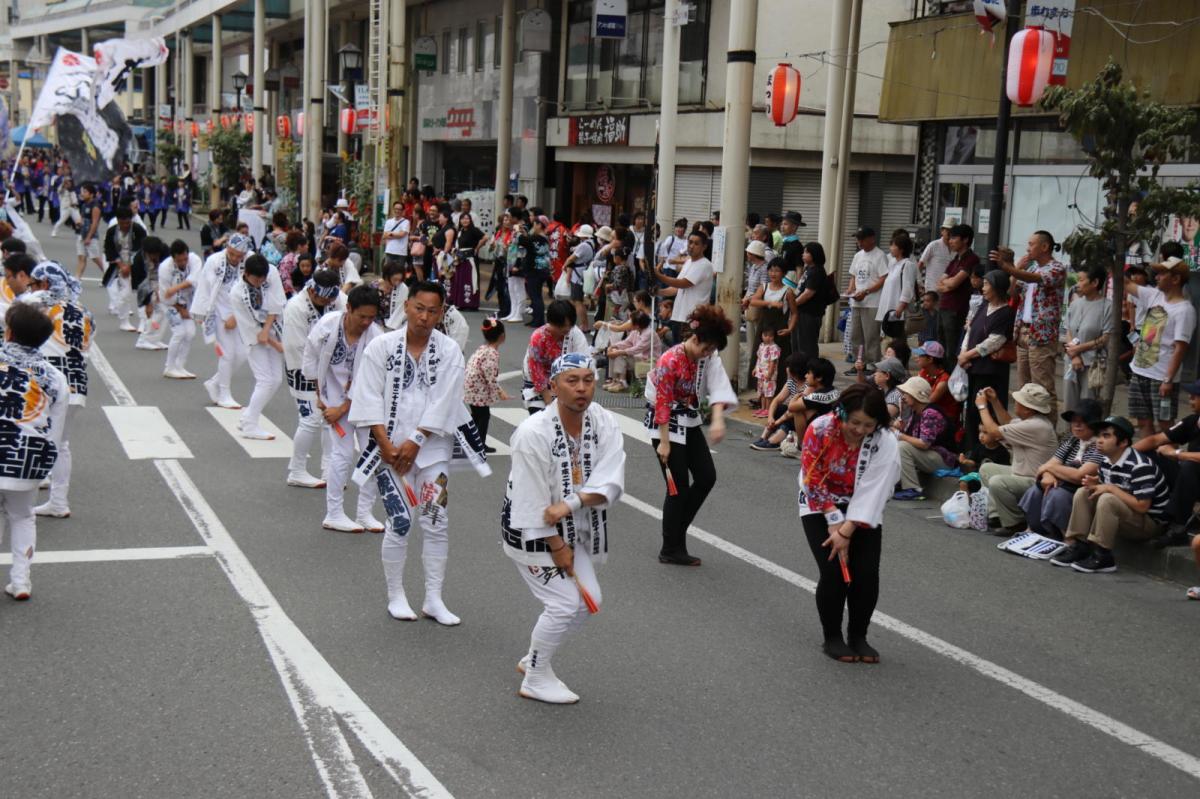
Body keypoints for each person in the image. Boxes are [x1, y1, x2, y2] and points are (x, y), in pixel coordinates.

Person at [348, 281, 491, 625]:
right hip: (388, 451)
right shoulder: (381, 347)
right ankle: (395, 595)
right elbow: (367, 395)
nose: (424, 317)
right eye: (419, 309)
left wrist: (415, 440)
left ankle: (433, 598)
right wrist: (385, 444)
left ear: (441, 314)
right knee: (400, 521)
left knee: (436, 519)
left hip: (432, 448)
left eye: (432, 311)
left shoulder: (449, 351)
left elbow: (445, 401)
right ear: (407, 307)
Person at [500, 352, 625, 704]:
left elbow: (611, 478)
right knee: (564, 604)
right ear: (553, 387)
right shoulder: (532, 433)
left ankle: (534, 656)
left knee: (589, 600)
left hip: (573, 526)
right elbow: (530, 501)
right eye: (572, 381)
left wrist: (570, 505)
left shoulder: (602, 421)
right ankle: (536, 677)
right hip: (529, 530)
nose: (582, 388)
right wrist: (556, 546)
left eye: (588, 380)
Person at [798, 383, 899, 663]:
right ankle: (832, 636)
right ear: (842, 412)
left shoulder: (885, 440)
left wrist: (846, 529)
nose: (859, 430)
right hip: (819, 500)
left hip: (863, 506)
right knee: (833, 571)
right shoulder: (820, 428)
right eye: (854, 422)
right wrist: (833, 520)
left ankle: (858, 636)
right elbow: (811, 476)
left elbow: (876, 489)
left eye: (868, 425)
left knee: (866, 573)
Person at [645, 304, 738, 566]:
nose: (707, 354)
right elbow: (663, 402)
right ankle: (670, 548)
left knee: (707, 476)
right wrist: (664, 443)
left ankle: (677, 531)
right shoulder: (670, 360)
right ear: (695, 339)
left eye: (712, 350)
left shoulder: (708, 355)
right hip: (664, 421)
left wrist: (717, 419)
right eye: (706, 348)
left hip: (688, 415)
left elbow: (719, 385)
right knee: (678, 488)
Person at [0, 303, 69, 600]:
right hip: (27, 457)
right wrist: (44, 465)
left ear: (9, 332)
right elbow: (56, 433)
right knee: (23, 516)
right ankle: (20, 581)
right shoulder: (53, 376)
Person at [305, 285, 384, 533]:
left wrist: (344, 408)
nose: (366, 322)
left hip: (365, 401)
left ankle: (364, 512)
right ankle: (334, 513)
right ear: (348, 308)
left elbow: (370, 379)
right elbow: (311, 359)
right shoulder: (328, 326)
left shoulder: (376, 336)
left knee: (372, 453)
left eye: (371, 317)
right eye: (362, 316)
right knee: (342, 454)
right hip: (332, 395)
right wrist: (319, 397)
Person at [1051, 416, 1170, 573]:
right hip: (1128, 515)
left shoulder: (1140, 466)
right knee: (1083, 492)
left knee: (1108, 499)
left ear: (1123, 442)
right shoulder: (1106, 461)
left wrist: (1110, 488)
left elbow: (1142, 506)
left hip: (1150, 524)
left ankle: (1103, 555)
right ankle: (1080, 545)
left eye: (1106, 436)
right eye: (1099, 435)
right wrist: (1095, 484)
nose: (1099, 440)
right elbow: (1110, 485)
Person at [24, 262, 92, 521]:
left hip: (46, 382)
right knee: (60, 443)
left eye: (33, 283)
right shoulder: (83, 311)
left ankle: (25, 501)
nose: (30, 288)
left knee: (34, 437)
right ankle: (58, 500)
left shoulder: (36, 302)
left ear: (44, 283)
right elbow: (86, 350)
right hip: (76, 382)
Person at [282, 269, 342, 489]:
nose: (328, 302)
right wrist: (317, 382)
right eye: (324, 299)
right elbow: (296, 347)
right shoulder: (295, 307)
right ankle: (297, 470)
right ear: (313, 291)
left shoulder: (337, 299)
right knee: (310, 419)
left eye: (331, 299)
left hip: (331, 369)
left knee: (329, 421)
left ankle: (329, 469)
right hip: (303, 370)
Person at [997, 231, 1066, 415]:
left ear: (1045, 247)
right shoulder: (1032, 268)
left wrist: (1010, 268)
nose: (1028, 248)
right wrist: (1016, 269)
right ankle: (1027, 424)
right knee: (1024, 388)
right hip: (1023, 333)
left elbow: (1037, 279)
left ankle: (1048, 427)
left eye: (1031, 244)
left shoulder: (1057, 268)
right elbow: (1011, 292)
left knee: (1043, 388)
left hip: (1042, 336)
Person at [1127, 257, 1195, 439]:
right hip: (1139, 370)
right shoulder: (1154, 295)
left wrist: (1168, 380)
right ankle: (1148, 456)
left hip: (1161, 376)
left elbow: (1180, 348)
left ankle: (1169, 455)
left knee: (1165, 424)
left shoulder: (1185, 310)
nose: (1156, 277)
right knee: (1143, 421)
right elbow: (1125, 283)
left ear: (1176, 279)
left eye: (1162, 274)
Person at [976, 383, 1059, 534]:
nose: (1015, 403)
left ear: (1028, 409)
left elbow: (994, 432)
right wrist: (995, 401)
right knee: (987, 469)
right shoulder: (1031, 420)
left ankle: (1015, 522)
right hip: (1021, 475)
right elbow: (1007, 423)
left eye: (1019, 401)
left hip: (1035, 481)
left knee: (997, 482)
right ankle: (997, 515)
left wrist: (982, 407)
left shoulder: (1037, 426)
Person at [1019, 399, 1104, 539]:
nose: (1077, 425)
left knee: (1057, 494)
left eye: (1083, 421)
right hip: (1062, 484)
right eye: (1074, 420)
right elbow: (1046, 467)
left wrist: (1049, 468)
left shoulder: (1100, 445)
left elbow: (1079, 475)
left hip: (1083, 491)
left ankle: (1068, 538)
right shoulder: (1072, 440)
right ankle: (1033, 530)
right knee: (1037, 489)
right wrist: (1048, 476)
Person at [1133, 379, 1200, 548]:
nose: (1190, 399)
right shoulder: (1193, 421)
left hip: (1194, 476)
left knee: (1189, 466)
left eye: (1195, 396)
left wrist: (1177, 454)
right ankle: (1157, 510)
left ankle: (1177, 527)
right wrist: (1126, 454)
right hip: (1191, 481)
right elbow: (1156, 439)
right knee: (1152, 454)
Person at [191, 233, 252, 409]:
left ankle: (215, 382)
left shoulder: (250, 260)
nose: (234, 258)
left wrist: (237, 315)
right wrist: (200, 313)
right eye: (231, 253)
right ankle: (224, 393)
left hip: (240, 311)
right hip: (217, 310)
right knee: (227, 354)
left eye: (238, 256)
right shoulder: (214, 260)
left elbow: (253, 288)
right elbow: (204, 287)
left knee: (243, 354)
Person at [229, 254, 286, 441]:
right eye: (256, 280)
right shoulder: (237, 294)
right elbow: (255, 330)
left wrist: (271, 333)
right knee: (265, 381)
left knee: (276, 379)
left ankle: (247, 417)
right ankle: (250, 425)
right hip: (254, 339)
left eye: (263, 279)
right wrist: (274, 343)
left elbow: (277, 303)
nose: (260, 283)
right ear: (246, 274)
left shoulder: (272, 272)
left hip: (274, 328)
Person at [958, 270, 1016, 449]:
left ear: (997, 287)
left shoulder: (1006, 312)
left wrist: (968, 355)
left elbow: (995, 341)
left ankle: (986, 450)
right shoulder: (984, 306)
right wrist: (963, 353)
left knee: (986, 410)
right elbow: (970, 331)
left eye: (986, 284)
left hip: (990, 371)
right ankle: (969, 448)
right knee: (971, 410)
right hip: (973, 367)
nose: (983, 288)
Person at [893, 377, 959, 501]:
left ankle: (913, 489)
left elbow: (924, 443)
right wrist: (900, 429)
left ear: (916, 395)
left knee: (902, 446)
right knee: (896, 444)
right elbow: (912, 438)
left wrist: (899, 435)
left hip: (944, 459)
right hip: (931, 455)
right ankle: (897, 482)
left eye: (907, 393)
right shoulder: (916, 412)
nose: (903, 397)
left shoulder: (930, 413)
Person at [522, 300, 589, 414]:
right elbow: (536, 369)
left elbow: (584, 361)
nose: (566, 329)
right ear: (551, 322)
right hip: (539, 382)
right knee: (542, 417)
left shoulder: (575, 334)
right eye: (562, 326)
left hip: (565, 382)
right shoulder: (539, 337)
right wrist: (548, 399)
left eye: (570, 325)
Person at [1061, 263, 1112, 409]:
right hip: (1071, 361)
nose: (1077, 284)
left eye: (1081, 280)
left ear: (1095, 283)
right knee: (1069, 404)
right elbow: (1069, 331)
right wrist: (1074, 355)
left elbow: (1105, 338)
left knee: (1088, 405)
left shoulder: (1108, 306)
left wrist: (1078, 349)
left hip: (1093, 363)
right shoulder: (1075, 304)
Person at [843, 227, 889, 371]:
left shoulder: (880, 255)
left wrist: (867, 291)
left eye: (862, 239)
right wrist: (851, 289)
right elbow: (853, 275)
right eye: (858, 239)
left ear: (872, 239)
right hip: (857, 301)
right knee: (856, 336)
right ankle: (859, 363)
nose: (859, 242)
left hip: (872, 303)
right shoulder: (858, 255)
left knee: (871, 336)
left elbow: (883, 278)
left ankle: (873, 364)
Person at [658, 231, 715, 344]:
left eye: (696, 243)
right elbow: (675, 288)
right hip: (678, 317)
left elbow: (683, 283)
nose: (691, 246)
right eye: (690, 242)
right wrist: (658, 291)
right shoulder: (688, 262)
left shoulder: (705, 265)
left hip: (692, 319)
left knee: (688, 353)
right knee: (679, 351)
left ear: (704, 247)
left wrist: (659, 276)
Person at [936, 224, 979, 370]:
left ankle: (952, 378)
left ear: (965, 240)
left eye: (954, 238)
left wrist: (949, 284)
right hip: (944, 306)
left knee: (952, 349)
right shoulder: (955, 259)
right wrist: (948, 285)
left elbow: (954, 283)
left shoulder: (971, 259)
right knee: (940, 347)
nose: (950, 241)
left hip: (956, 309)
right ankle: (942, 377)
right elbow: (939, 283)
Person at [464, 317, 510, 452]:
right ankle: (479, 444)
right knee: (484, 416)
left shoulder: (482, 349)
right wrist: (499, 392)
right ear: (502, 336)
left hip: (470, 387)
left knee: (476, 415)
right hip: (478, 390)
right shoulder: (492, 353)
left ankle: (470, 440)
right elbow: (490, 376)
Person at [159, 239, 201, 379]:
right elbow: (165, 295)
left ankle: (180, 366)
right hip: (170, 305)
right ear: (173, 258)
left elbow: (194, 279)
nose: (183, 263)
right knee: (179, 332)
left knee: (190, 333)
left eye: (185, 259)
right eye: (179, 261)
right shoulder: (165, 268)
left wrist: (175, 288)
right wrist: (179, 309)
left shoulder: (194, 260)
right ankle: (169, 367)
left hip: (187, 301)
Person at [103, 206, 146, 331]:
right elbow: (109, 250)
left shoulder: (138, 230)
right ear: (117, 220)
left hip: (138, 264)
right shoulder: (112, 231)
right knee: (125, 294)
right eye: (122, 223)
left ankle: (144, 322)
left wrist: (130, 265)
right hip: (120, 264)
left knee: (143, 293)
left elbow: (142, 249)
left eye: (127, 222)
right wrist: (121, 266)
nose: (125, 225)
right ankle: (124, 321)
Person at [877, 231, 918, 341]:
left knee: (896, 339)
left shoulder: (907, 265)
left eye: (893, 246)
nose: (890, 248)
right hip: (889, 307)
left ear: (901, 249)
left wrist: (900, 307)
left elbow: (908, 288)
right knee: (888, 339)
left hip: (897, 310)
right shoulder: (893, 264)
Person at [603, 312, 654, 392]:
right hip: (638, 357)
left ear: (637, 325)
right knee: (614, 352)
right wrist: (614, 346)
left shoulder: (649, 333)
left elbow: (636, 349)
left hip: (649, 360)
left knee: (620, 354)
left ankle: (622, 382)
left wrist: (619, 352)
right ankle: (615, 380)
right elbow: (627, 342)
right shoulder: (636, 331)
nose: (629, 322)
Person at [914, 341, 958, 423]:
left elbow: (928, 402)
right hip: (929, 414)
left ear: (930, 359)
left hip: (945, 420)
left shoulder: (944, 379)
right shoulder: (923, 372)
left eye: (920, 355)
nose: (916, 358)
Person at [919, 217, 955, 294]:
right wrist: (919, 283)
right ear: (942, 231)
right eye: (947, 230)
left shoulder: (956, 249)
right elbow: (921, 264)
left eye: (952, 231)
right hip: (932, 289)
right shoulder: (933, 245)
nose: (949, 233)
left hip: (948, 290)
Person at [753, 328, 781, 416]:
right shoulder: (761, 346)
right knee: (762, 392)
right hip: (761, 373)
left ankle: (768, 409)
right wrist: (755, 368)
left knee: (768, 392)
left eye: (770, 336)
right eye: (765, 335)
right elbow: (759, 358)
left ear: (774, 337)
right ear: (761, 335)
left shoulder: (774, 347)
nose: (768, 337)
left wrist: (770, 373)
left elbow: (773, 362)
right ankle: (762, 408)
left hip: (769, 374)